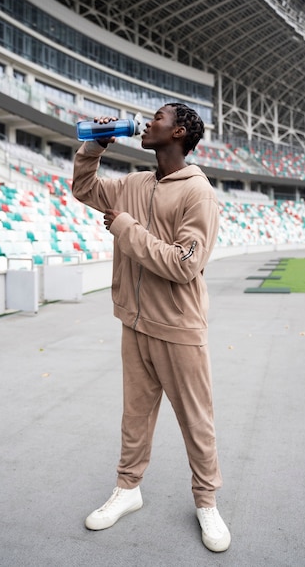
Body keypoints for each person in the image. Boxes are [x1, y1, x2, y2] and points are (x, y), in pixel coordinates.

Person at [72, 103, 231, 553]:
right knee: (135, 415)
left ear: (178, 131)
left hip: (180, 328)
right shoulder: (135, 183)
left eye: (157, 117)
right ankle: (128, 489)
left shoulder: (198, 193)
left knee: (196, 422)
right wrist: (95, 145)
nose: (146, 122)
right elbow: (83, 188)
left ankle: (206, 502)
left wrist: (125, 227)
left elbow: (185, 265)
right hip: (135, 322)